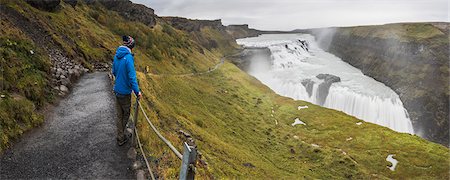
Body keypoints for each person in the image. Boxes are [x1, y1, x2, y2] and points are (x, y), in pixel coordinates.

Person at [112, 35, 142, 146]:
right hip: (125, 92)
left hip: (117, 90)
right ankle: (121, 136)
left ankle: (120, 134)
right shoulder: (128, 58)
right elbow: (132, 77)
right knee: (126, 114)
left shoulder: (117, 55)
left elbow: (114, 71)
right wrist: (137, 91)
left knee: (119, 115)